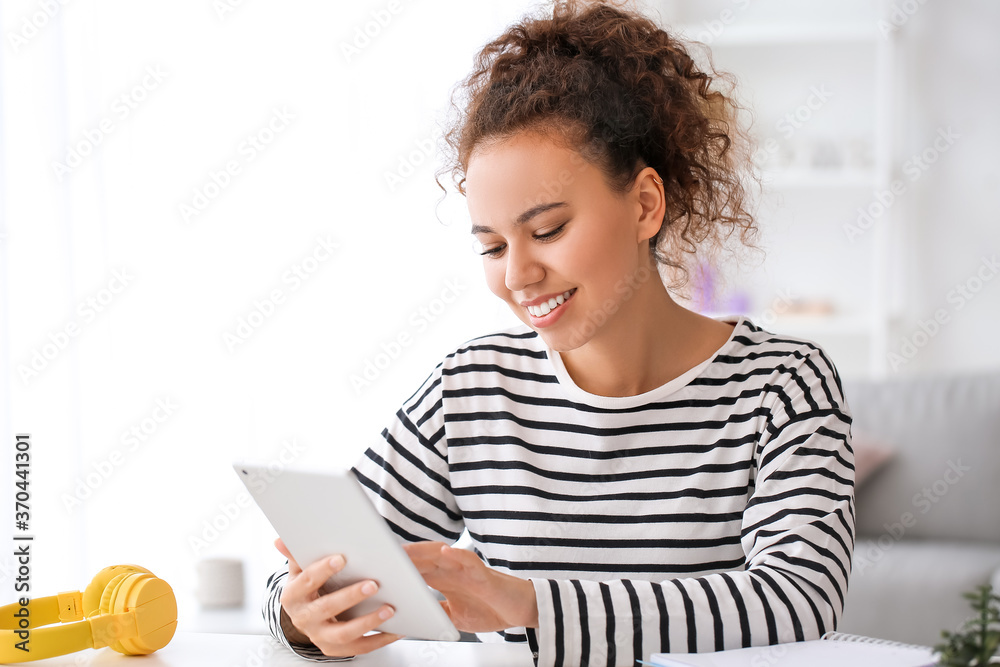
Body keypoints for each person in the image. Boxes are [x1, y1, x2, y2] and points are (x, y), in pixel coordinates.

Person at [261, 1, 856, 666]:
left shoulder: (784, 386)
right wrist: (299, 613)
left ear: (645, 204)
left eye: (548, 230)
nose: (519, 275)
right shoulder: (472, 389)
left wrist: (530, 602)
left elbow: (798, 602)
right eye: (491, 246)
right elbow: (317, 567)